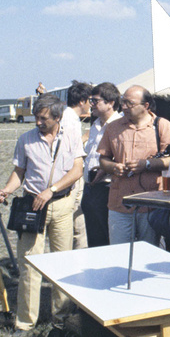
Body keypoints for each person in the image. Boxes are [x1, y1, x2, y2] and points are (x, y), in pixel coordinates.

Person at [0, 94, 86, 331]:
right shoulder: (25, 140)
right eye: (36, 117)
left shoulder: (72, 136)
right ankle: (25, 322)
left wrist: (51, 191)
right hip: (32, 208)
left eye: (43, 118)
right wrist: (6, 189)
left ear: (57, 117)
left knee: (62, 263)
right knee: (29, 265)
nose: (37, 122)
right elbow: (19, 172)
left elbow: (76, 171)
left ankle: (61, 319)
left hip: (62, 206)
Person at [97, 85, 170, 245]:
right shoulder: (113, 127)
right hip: (120, 203)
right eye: (123, 102)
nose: (124, 107)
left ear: (146, 105)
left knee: (149, 251)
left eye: (129, 103)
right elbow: (103, 159)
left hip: (151, 204)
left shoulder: (162, 126)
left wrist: (147, 164)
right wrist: (114, 167)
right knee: (119, 252)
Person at [80, 82, 120, 248]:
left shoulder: (120, 125)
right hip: (90, 187)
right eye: (91, 100)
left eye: (95, 101)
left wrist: (102, 171)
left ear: (110, 103)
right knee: (94, 240)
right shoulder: (95, 125)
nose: (91, 104)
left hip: (108, 187)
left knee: (108, 238)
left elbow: (119, 157)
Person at [62, 80, 93, 249]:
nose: (91, 105)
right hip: (71, 175)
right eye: (90, 100)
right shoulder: (69, 120)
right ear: (82, 101)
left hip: (73, 174)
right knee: (73, 219)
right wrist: (85, 138)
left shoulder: (69, 117)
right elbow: (68, 149)